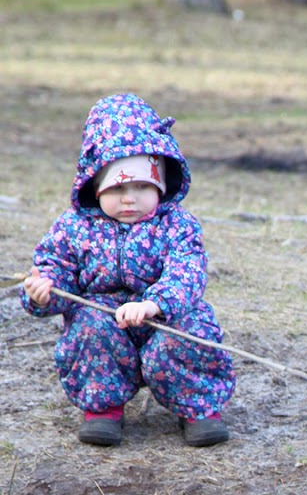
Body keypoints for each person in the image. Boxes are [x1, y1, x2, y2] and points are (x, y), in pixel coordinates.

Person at [21, 91, 235, 447]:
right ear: (94, 184)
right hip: (103, 314)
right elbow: (53, 268)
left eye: (141, 186)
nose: (129, 198)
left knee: (188, 332)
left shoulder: (177, 225)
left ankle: (198, 407)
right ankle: (103, 408)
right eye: (118, 187)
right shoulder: (74, 227)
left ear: (162, 184)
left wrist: (156, 304)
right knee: (89, 329)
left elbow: (188, 270)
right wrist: (43, 292)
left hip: (162, 314)